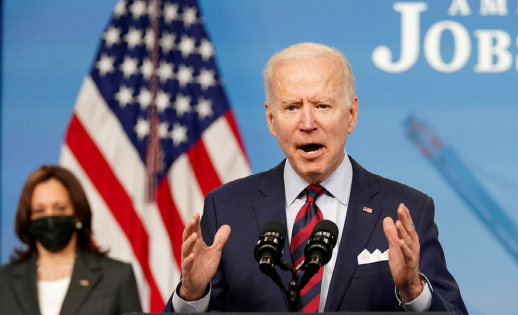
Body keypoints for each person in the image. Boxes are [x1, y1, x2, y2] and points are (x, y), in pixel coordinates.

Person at [164, 42, 468, 313]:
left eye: (323, 106)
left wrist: (414, 291)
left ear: (351, 114)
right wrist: (192, 295)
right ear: (271, 119)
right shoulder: (227, 208)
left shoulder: (406, 209)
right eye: (292, 107)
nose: (307, 123)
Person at [0, 165, 143, 315]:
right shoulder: (3, 280)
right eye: (39, 211)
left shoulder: (117, 276)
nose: (50, 217)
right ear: (28, 219)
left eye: (60, 208)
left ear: (78, 214)